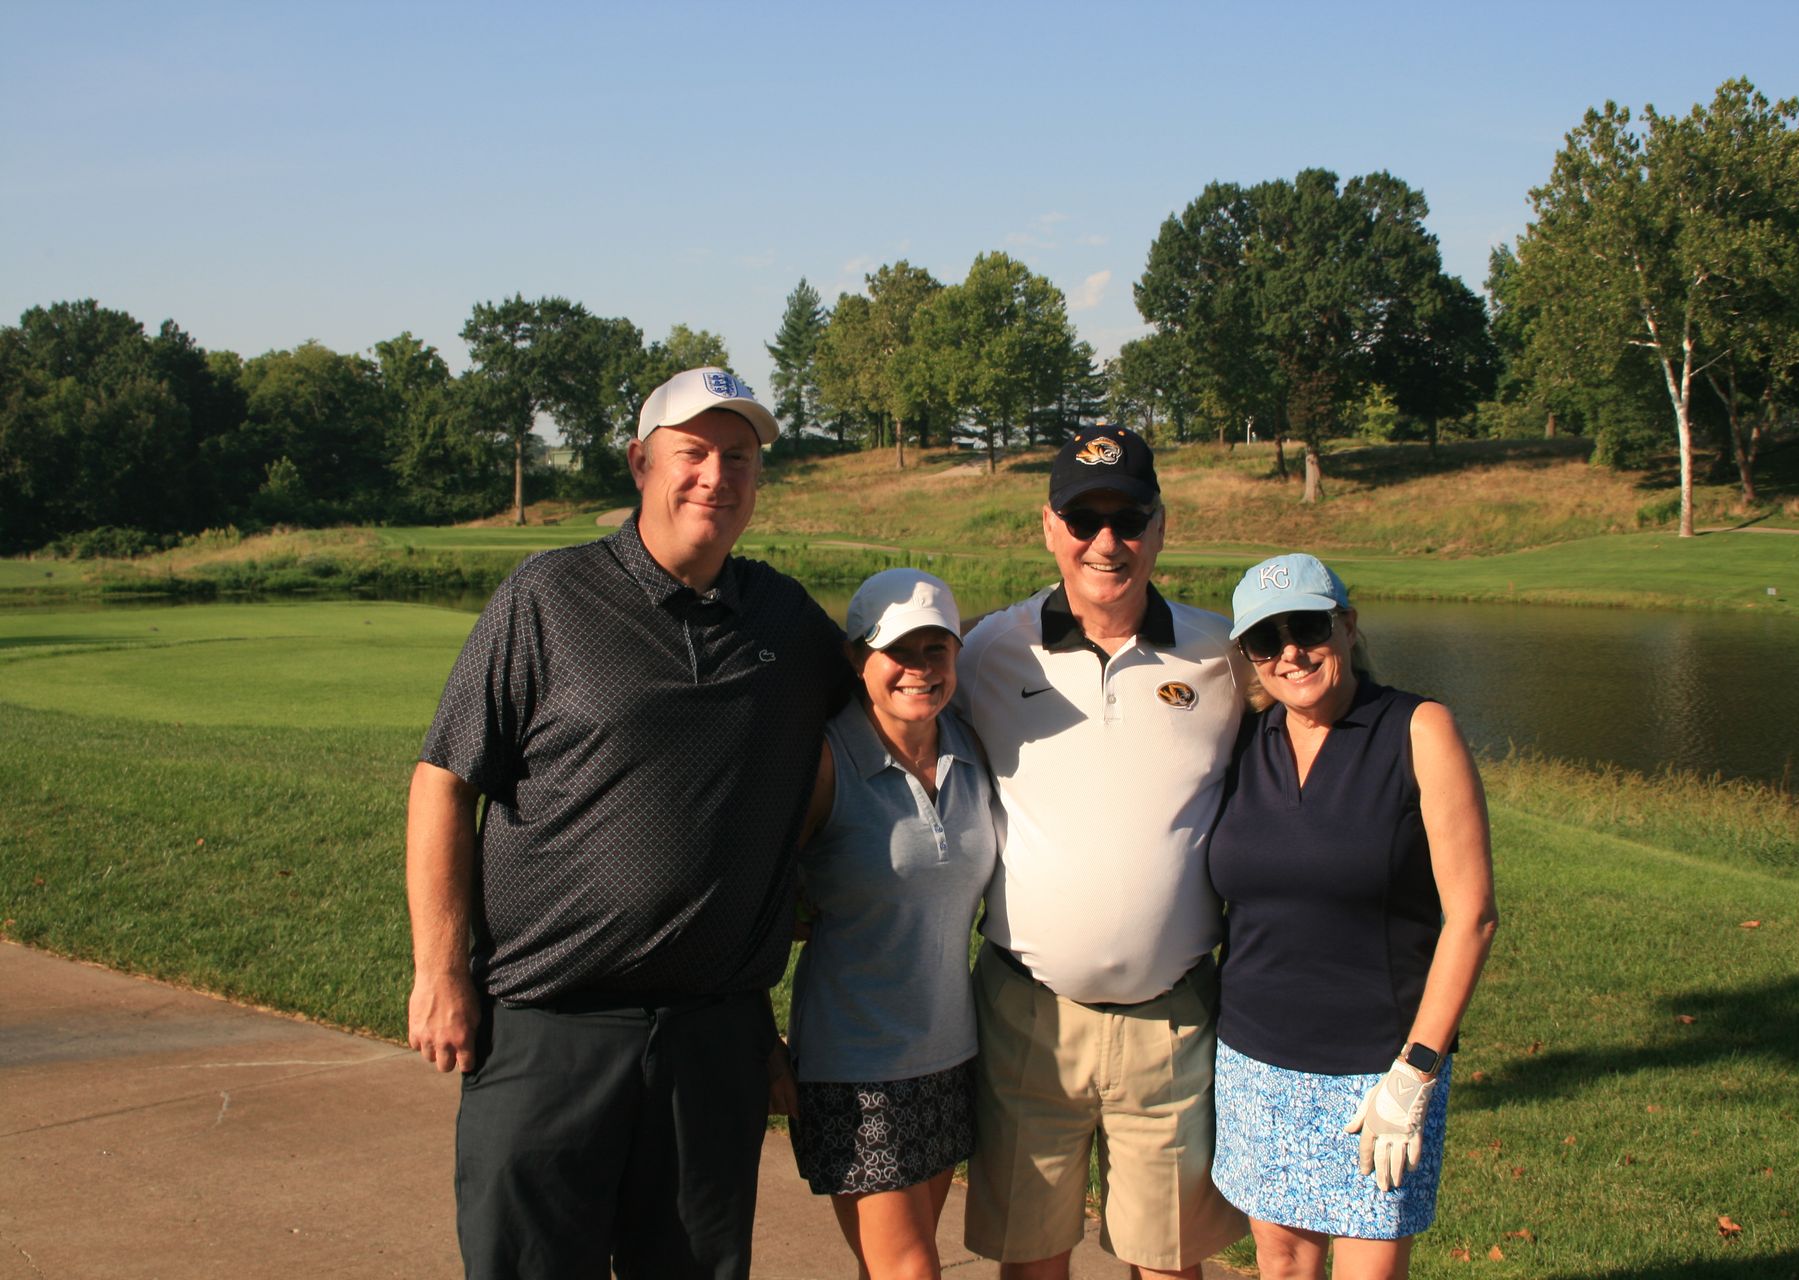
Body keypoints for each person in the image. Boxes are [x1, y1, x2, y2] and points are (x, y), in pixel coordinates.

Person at [404, 367, 848, 1280]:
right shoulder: (547, 598)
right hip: (546, 1029)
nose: (715, 477)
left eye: (738, 458)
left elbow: (878, 715)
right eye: (692, 454)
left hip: (713, 1040)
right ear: (642, 464)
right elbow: (444, 783)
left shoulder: (786, 622)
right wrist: (441, 971)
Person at [954, 425, 1250, 1279]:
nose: (1106, 543)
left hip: (1174, 1015)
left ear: (1161, 528)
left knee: (1166, 1263)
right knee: (1033, 1260)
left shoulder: (1222, 655)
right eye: (1084, 521)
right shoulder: (987, 652)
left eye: (1129, 519)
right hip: (1028, 1016)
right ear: (1049, 526)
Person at [1206, 553, 1498, 1280]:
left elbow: (1473, 916)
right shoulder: (1246, 740)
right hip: (1254, 1059)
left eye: (1307, 627)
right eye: (1265, 642)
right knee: (1280, 1263)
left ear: (1347, 624)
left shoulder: (1418, 729)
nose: (1291, 654)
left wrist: (1416, 1071)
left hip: (1378, 1070)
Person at [781, 567, 998, 1280]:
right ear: (856, 658)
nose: (919, 669)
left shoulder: (971, 749)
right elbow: (753, 899)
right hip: (854, 1067)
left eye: (937, 650)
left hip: (949, 1055)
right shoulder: (826, 759)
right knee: (910, 1269)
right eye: (897, 651)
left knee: (900, 1265)